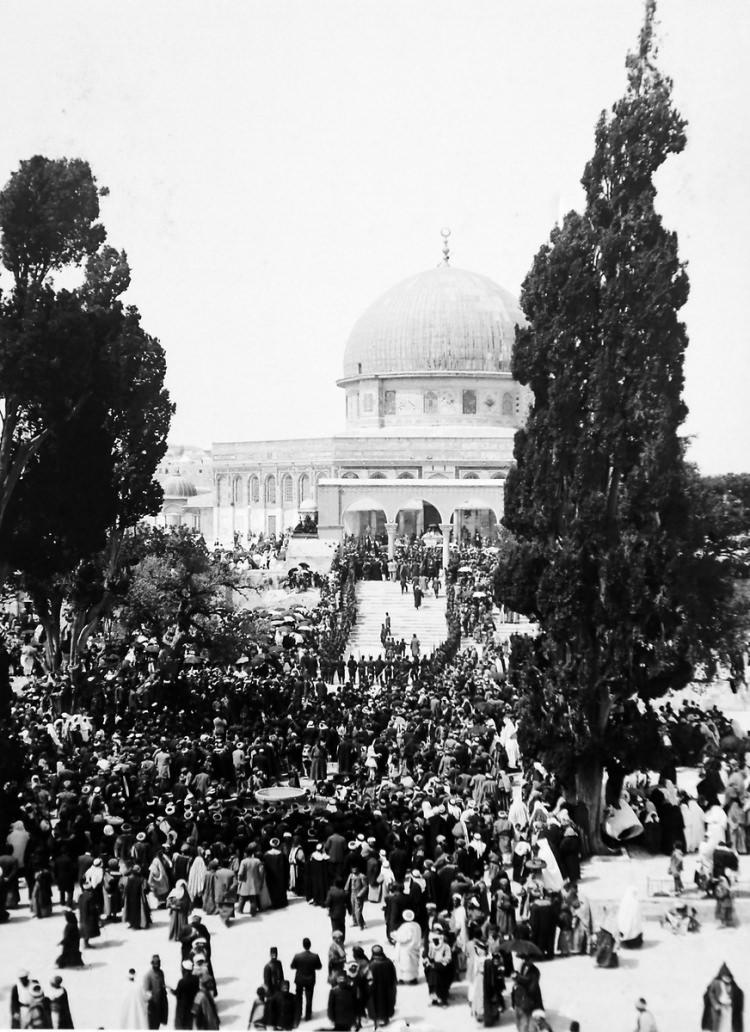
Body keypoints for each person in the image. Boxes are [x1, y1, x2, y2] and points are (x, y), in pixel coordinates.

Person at [701, 964, 744, 1031]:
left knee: (728, 1025)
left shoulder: (732, 985)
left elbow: (738, 993)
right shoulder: (716, 983)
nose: (727, 978)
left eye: (728, 977)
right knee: (718, 1025)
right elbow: (710, 994)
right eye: (725, 976)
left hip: (729, 1009)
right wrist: (715, 1004)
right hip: (719, 1008)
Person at [290, 936, 322, 1022]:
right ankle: (308, 1015)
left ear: (303, 945)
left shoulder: (297, 956)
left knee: (299, 997)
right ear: (310, 945)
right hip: (310, 980)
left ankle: (299, 1013)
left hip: (299, 979)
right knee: (309, 998)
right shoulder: (315, 956)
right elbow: (319, 967)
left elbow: (292, 966)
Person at [367, 945, 397, 1028]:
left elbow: (369, 979)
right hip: (388, 988)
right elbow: (393, 976)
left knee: (376, 1004)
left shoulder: (372, 965)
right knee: (387, 1002)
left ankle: (378, 1019)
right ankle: (385, 1018)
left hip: (375, 990)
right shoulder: (388, 962)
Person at [392, 908, 422, 984]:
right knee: (413, 965)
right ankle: (414, 979)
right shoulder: (417, 925)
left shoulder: (406, 926)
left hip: (405, 949)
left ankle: (403, 979)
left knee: (404, 966)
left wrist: (394, 935)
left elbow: (403, 938)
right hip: (415, 947)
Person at [172, 960, 200, 1030]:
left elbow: (178, 994)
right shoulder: (196, 979)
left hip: (182, 1010)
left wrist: (172, 991)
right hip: (191, 1008)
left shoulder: (182, 982)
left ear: (184, 970)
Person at [143, 955, 169, 1030]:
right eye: (155, 963)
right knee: (152, 1026)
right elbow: (146, 991)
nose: (157, 965)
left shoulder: (161, 973)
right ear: (152, 964)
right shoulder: (148, 975)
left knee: (157, 1025)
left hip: (160, 1004)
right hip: (152, 1006)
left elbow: (163, 986)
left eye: (158, 963)